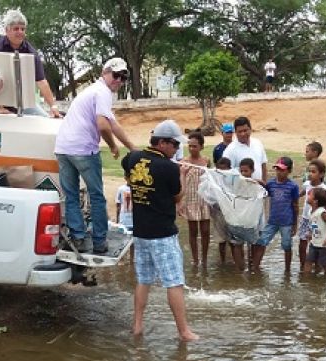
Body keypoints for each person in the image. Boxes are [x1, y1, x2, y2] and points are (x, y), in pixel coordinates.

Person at [121, 120, 197, 342]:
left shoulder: (132, 157)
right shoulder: (169, 168)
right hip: (163, 233)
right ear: (163, 143)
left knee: (143, 279)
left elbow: (129, 179)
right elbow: (177, 197)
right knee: (174, 282)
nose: (176, 149)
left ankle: (137, 325)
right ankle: (184, 331)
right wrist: (182, 175)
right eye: (174, 145)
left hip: (141, 230)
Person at [55, 57, 136, 254]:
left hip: (63, 148)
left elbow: (113, 123)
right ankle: (100, 242)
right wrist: (113, 146)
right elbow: (103, 125)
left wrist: (132, 147)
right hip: (83, 150)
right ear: (105, 73)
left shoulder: (93, 90)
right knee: (97, 196)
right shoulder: (103, 92)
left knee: (71, 196)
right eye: (116, 75)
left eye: (124, 77)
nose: (119, 80)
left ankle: (79, 238)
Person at [0, 9, 60, 118]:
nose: (20, 32)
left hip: (21, 102)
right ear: (7, 30)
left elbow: (41, 82)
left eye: (23, 29)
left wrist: (53, 107)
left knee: (44, 119)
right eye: (16, 29)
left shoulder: (31, 53)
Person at [251, 156, 300, 273]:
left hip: (286, 222)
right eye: (277, 169)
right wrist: (256, 181)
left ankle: (287, 270)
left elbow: (295, 206)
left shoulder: (293, 186)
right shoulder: (271, 183)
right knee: (261, 242)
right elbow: (264, 189)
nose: (279, 172)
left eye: (282, 170)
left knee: (287, 245)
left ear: (289, 171)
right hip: (272, 221)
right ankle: (255, 267)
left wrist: (295, 224)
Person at [179, 132, 211, 267]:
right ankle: (195, 259)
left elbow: (211, 180)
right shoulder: (183, 163)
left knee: (205, 231)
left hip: (204, 200)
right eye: (190, 146)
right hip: (190, 199)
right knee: (193, 231)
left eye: (195, 146)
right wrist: (179, 202)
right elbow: (180, 182)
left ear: (201, 147)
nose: (192, 149)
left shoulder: (207, 161)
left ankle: (204, 259)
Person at [298, 159, 326, 269]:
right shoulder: (307, 184)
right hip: (306, 218)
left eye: (313, 172)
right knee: (302, 241)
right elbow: (303, 192)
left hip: (318, 221)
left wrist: (319, 212)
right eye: (309, 171)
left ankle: (317, 265)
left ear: (321, 174)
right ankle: (303, 264)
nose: (310, 174)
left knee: (317, 242)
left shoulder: (324, 189)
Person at [223, 116, 268, 182]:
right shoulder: (230, 150)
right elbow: (226, 175)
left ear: (250, 129)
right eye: (240, 131)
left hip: (259, 189)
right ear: (235, 132)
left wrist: (264, 184)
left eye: (245, 130)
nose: (243, 134)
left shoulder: (258, 143)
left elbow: (263, 165)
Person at [303, 188, 326, 275]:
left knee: (325, 265)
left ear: (315, 201)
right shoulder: (310, 211)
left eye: (310, 195)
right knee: (308, 261)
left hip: (324, 245)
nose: (307, 195)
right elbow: (314, 223)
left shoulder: (322, 213)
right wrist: (310, 233)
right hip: (314, 242)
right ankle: (306, 280)